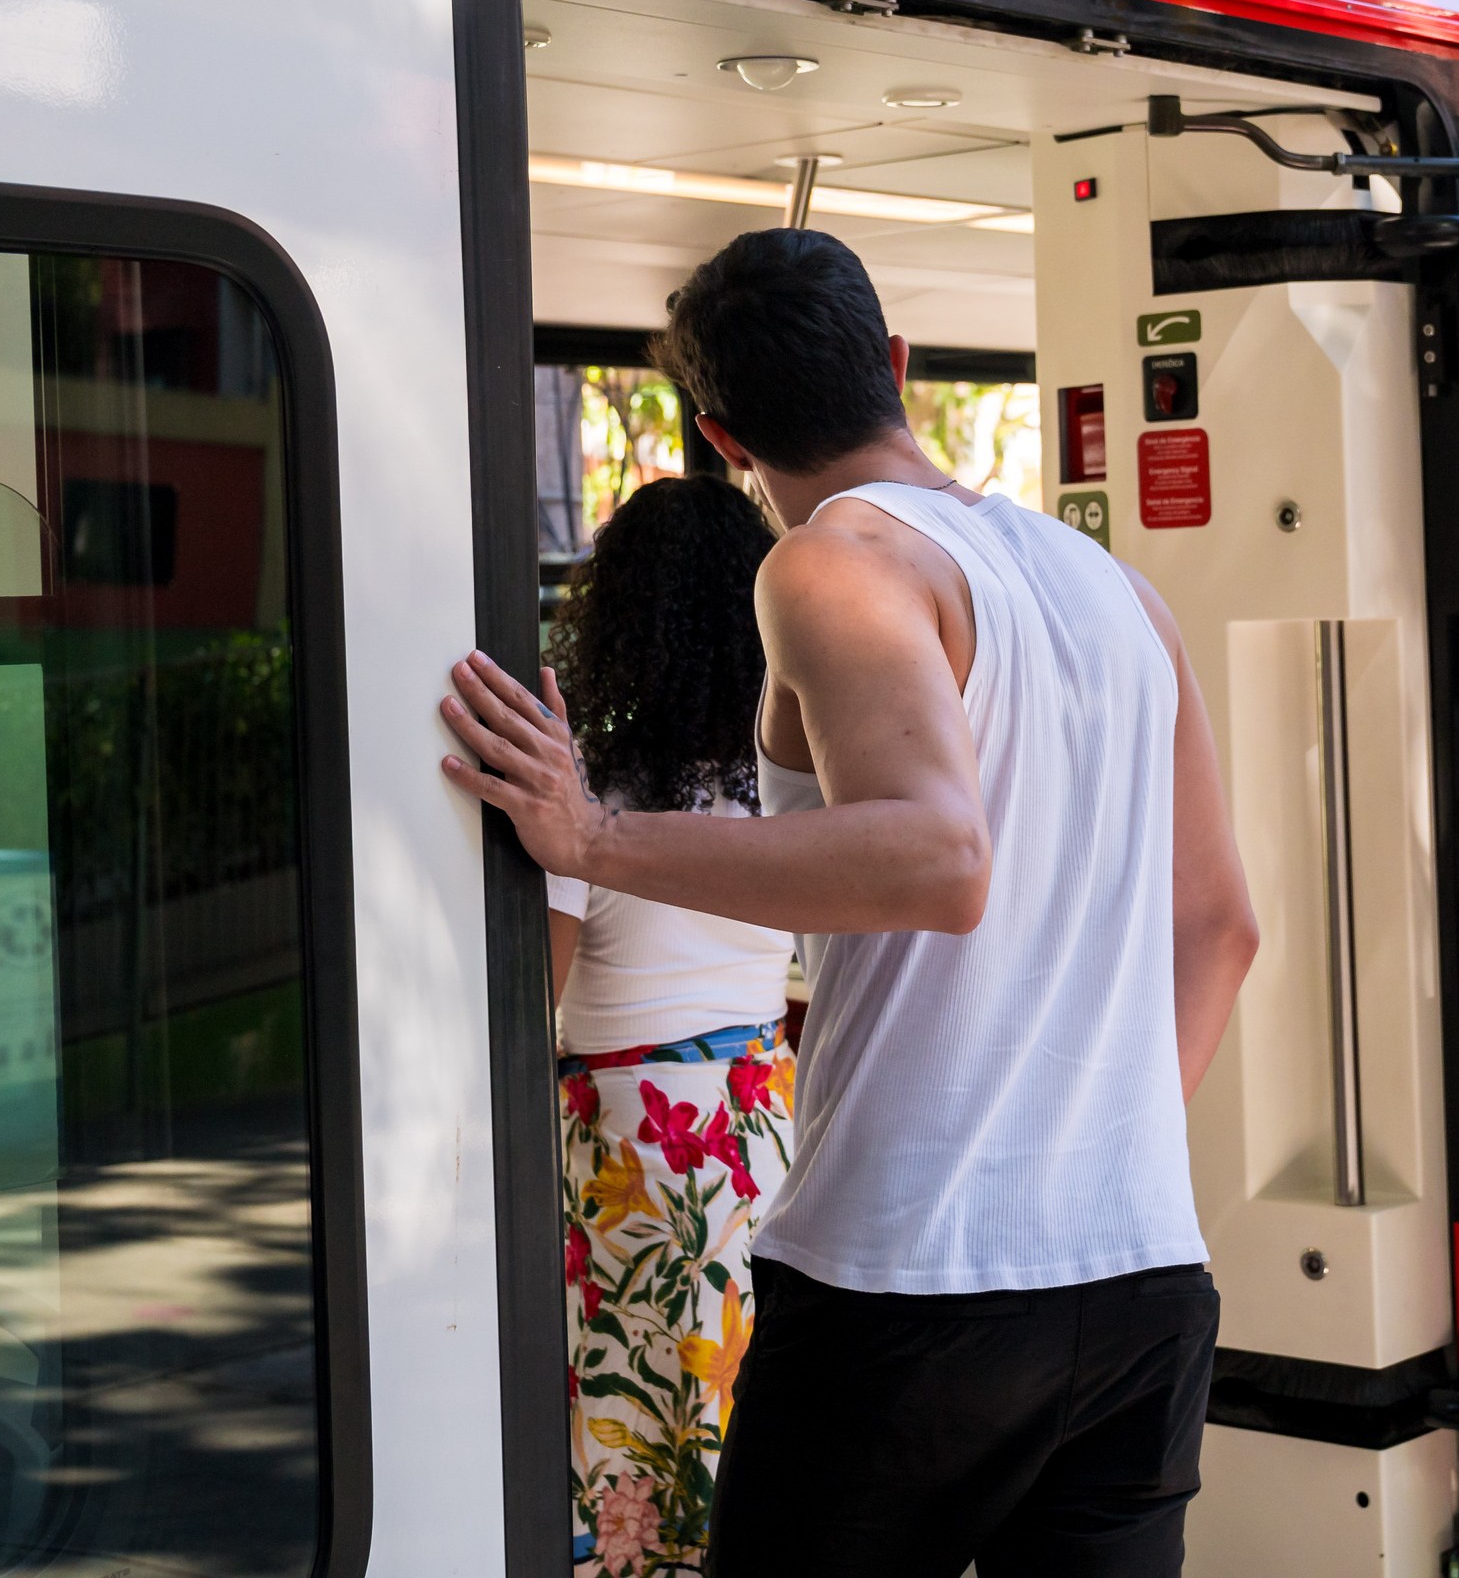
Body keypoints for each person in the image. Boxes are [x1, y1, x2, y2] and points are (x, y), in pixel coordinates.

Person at [440, 228, 1260, 1577]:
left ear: (720, 437)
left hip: (909, 1283)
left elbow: (936, 857)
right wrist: (1083, 1155)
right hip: (1140, 1285)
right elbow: (1221, 929)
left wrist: (591, 834)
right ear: (894, 363)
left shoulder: (830, 563)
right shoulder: (1120, 595)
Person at [539, 475, 795, 1576]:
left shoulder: (584, 800)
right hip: (762, 1129)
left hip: (633, 1147)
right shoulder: (784, 794)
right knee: (742, 1418)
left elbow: (530, 1000)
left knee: (631, 1427)